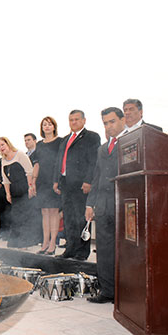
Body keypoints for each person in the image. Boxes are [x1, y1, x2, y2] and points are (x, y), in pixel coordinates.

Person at [85, 107, 126, 304]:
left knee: (125, 250)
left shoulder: (131, 142)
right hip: (103, 206)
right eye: (105, 123)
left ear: (122, 120)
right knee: (104, 249)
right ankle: (107, 290)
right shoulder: (102, 148)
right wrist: (90, 203)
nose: (109, 126)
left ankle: (126, 293)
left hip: (124, 204)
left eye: (112, 121)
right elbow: (97, 177)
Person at [53, 110, 100, 260]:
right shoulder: (65, 139)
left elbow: (93, 160)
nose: (73, 122)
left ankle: (82, 252)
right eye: (71, 120)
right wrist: (56, 180)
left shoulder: (91, 137)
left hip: (81, 184)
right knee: (69, 218)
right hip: (65, 183)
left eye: (77, 119)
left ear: (84, 120)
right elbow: (59, 161)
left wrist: (88, 180)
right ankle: (70, 248)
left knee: (81, 217)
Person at [0, 137, 35, 248]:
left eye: (2, 145)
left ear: (8, 144)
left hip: (24, 189)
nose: (1, 148)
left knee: (24, 216)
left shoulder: (20, 154)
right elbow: (5, 179)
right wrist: (8, 193)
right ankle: (15, 241)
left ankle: (25, 241)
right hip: (14, 191)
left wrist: (30, 187)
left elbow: (29, 172)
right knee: (15, 216)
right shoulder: (3, 160)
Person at [34, 117, 62, 255]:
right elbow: (37, 164)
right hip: (41, 181)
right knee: (44, 212)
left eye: (49, 124)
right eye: (44, 124)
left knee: (53, 212)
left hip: (54, 180)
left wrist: (57, 181)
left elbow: (61, 162)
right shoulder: (39, 144)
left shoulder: (60, 142)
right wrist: (33, 181)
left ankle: (53, 243)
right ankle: (45, 242)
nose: (47, 126)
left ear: (54, 127)